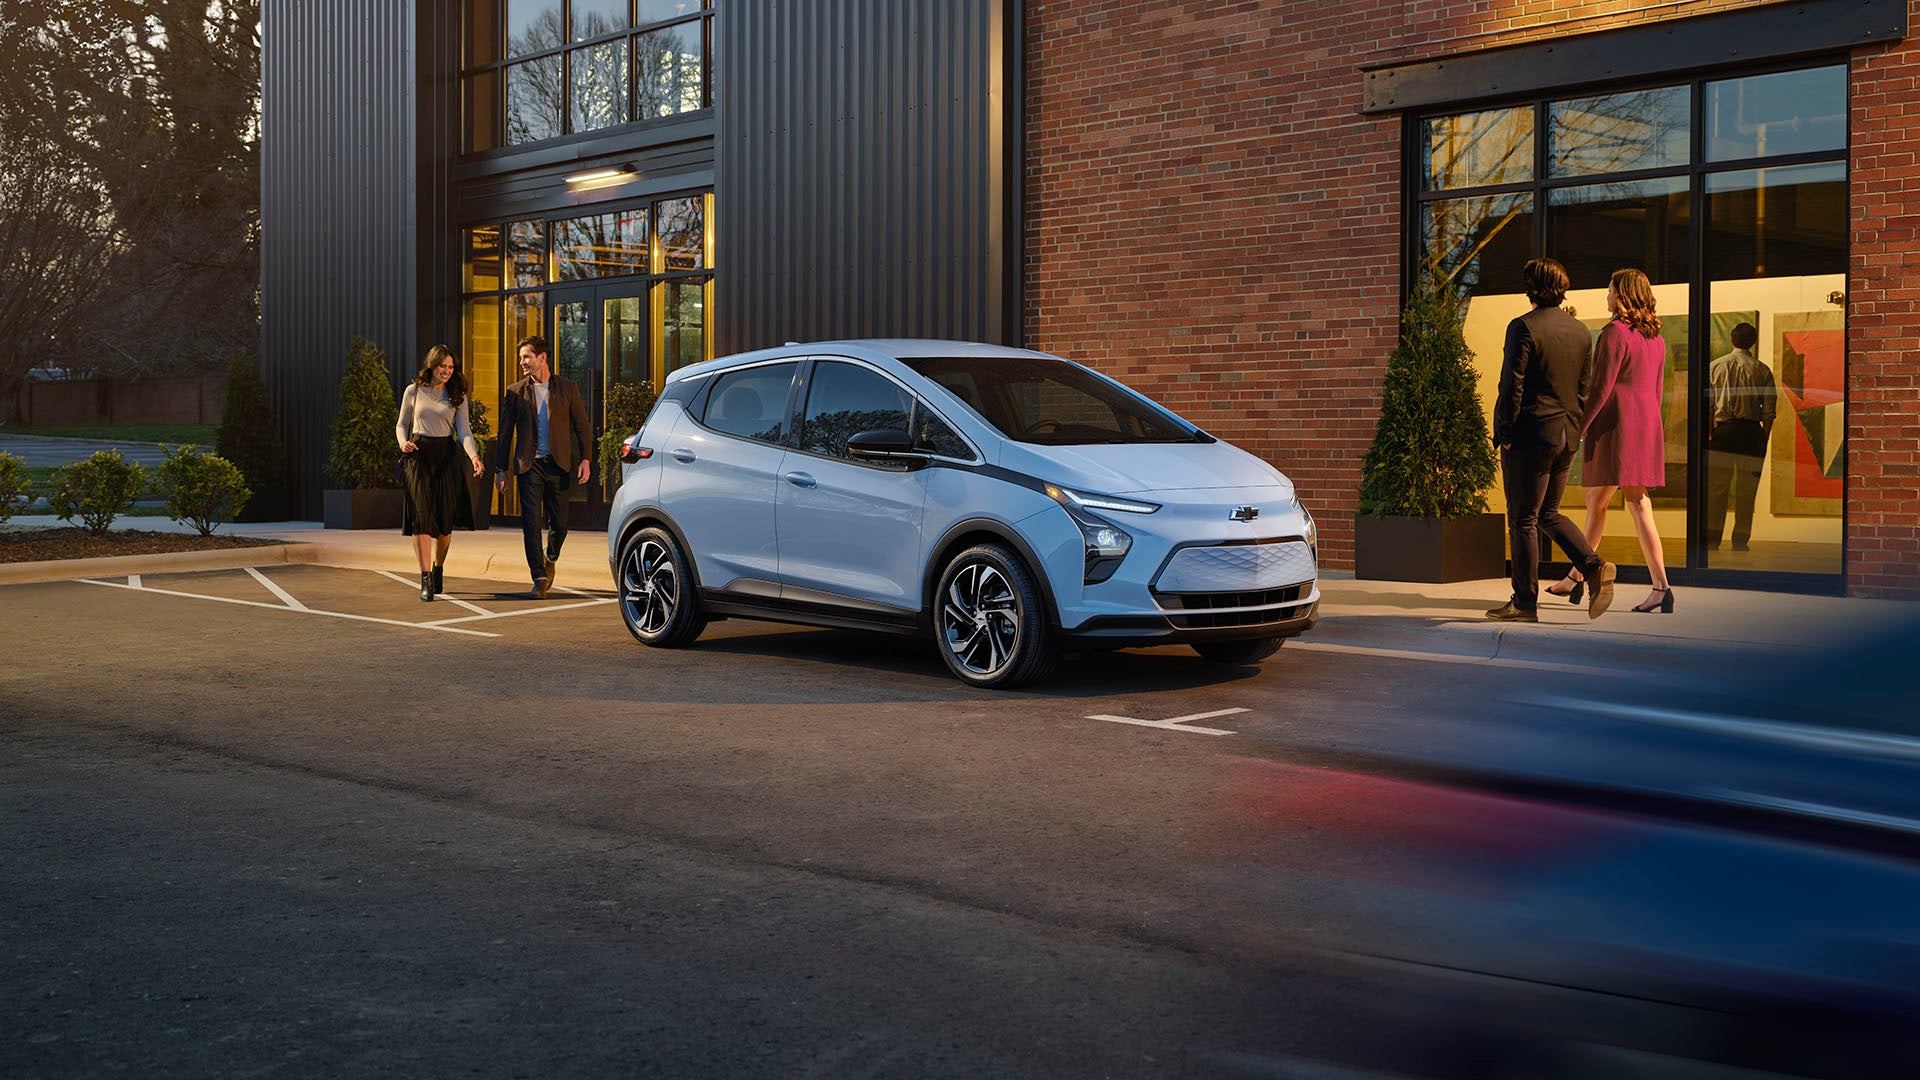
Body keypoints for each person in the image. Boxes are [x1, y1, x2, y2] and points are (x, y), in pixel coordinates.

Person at [1487, 258, 1616, 623]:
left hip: (1530, 435)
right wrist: (1573, 428)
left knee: (1523, 519)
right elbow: (1583, 390)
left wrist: (1506, 432)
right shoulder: (1579, 331)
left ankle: (1524, 603)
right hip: (1566, 435)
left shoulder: (1522, 327)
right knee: (1548, 513)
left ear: (1531, 287)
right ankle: (1592, 567)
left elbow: (1511, 386)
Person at [1546, 268, 1674, 614]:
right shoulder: (1656, 338)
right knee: (1610, 499)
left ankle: (1659, 587)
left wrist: (1580, 427)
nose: (1606, 295)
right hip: (1645, 423)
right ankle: (1578, 575)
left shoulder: (1615, 332)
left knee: (1629, 502)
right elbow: (1658, 390)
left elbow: (1600, 387)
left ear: (1622, 295)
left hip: (1618, 424)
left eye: (1609, 289)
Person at [494, 334, 591, 599]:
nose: (522, 362)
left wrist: (585, 459)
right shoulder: (515, 392)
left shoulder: (568, 388)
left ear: (542, 357)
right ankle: (538, 576)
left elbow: (582, 426)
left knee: (560, 523)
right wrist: (500, 468)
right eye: (521, 357)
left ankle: (551, 557)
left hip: (559, 465)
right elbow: (505, 433)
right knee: (530, 522)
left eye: (527, 357)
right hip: (529, 466)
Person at [397, 345, 485, 602]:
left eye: (450, 367)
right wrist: (403, 442)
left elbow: (465, 432)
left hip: (447, 456)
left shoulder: (457, 395)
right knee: (421, 519)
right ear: (432, 365)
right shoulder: (413, 391)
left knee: (444, 524)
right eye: (442, 366)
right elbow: (401, 424)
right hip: (418, 455)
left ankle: (438, 568)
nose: (446, 371)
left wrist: (474, 457)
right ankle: (425, 578)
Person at [1705, 321, 1775, 552]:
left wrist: (1710, 432)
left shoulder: (1715, 366)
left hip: (1723, 432)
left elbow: (1709, 405)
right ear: (1752, 342)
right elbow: (1768, 412)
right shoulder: (1762, 370)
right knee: (1747, 491)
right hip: (1751, 432)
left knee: (1717, 489)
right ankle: (1740, 541)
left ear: (1732, 339)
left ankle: (1712, 540)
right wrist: (1763, 438)